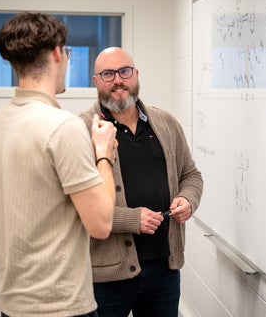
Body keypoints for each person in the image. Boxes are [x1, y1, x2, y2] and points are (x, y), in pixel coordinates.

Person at [0, 12, 117, 317]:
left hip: (13, 305)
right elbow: (101, 224)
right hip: (59, 306)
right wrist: (103, 154)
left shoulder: (0, 121)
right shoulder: (63, 127)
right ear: (59, 53)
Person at [80, 47, 203, 317]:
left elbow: (190, 175)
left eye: (124, 71)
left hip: (164, 270)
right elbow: (77, 207)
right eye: (107, 74)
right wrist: (131, 220)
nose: (118, 80)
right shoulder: (79, 131)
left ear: (136, 75)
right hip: (106, 277)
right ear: (95, 81)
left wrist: (188, 199)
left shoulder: (166, 123)